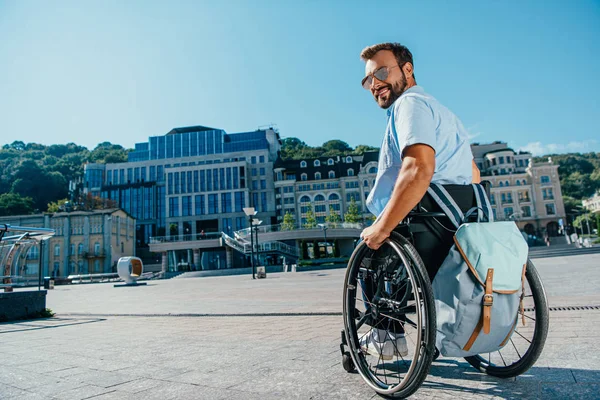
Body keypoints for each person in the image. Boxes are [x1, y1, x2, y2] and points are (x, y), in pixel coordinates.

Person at [357, 42, 482, 359]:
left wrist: (382, 227)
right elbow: (473, 175)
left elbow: (419, 168)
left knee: (369, 256)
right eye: (368, 79)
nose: (375, 84)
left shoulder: (409, 105)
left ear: (407, 69)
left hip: (428, 223)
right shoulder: (444, 113)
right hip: (460, 224)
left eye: (381, 72)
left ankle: (386, 335)